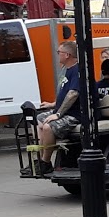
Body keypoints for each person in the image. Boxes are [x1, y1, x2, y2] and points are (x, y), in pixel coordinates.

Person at [34, 39, 83, 173]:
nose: (57, 55)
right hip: (63, 110)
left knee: (48, 127)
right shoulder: (67, 70)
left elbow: (73, 94)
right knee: (38, 119)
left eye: (59, 52)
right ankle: (41, 157)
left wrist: (58, 114)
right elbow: (64, 93)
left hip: (74, 114)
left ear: (67, 55)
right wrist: (53, 104)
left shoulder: (77, 70)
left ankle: (45, 162)